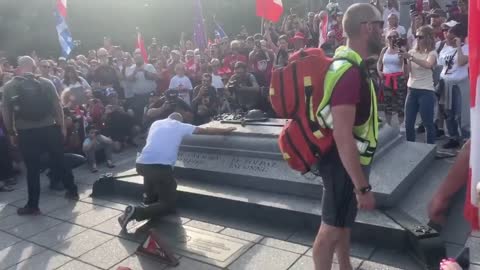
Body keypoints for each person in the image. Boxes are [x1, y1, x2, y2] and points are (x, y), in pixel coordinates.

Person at [311, 4, 383, 270]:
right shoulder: (349, 73)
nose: (383, 31)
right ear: (368, 28)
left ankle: (345, 266)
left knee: (342, 221)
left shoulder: (352, 64)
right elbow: (343, 136)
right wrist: (361, 186)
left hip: (343, 163)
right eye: (380, 25)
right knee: (329, 230)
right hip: (342, 164)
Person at [118, 112, 236, 230]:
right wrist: (225, 130)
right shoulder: (180, 126)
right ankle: (136, 212)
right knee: (168, 203)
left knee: (150, 175)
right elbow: (205, 130)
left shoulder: (156, 123)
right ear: (180, 120)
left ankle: (149, 200)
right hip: (161, 168)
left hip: (141, 164)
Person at [2, 56, 78, 215]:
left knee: (32, 169)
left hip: (26, 132)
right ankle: (72, 191)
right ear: (34, 66)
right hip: (50, 128)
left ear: (19, 67)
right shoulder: (46, 82)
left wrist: (11, 132)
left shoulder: (10, 86)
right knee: (60, 160)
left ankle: (33, 205)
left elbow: (6, 112)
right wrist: (62, 126)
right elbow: (57, 105)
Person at [401, 26, 438, 145]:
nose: (417, 39)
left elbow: (428, 65)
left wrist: (411, 58)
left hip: (426, 91)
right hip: (412, 89)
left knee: (427, 123)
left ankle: (430, 148)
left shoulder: (432, 52)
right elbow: (406, 73)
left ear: (427, 37)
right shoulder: (412, 51)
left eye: (420, 37)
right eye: (416, 36)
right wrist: (405, 60)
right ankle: (409, 147)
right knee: (408, 123)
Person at [437, 23, 470, 149]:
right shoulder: (445, 49)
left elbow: (462, 62)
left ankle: (466, 138)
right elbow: (441, 65)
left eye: (451, 38)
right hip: (445, 83)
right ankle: (453, 137)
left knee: (460, 113)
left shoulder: (466, 48)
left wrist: (458, 46)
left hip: (459, 84)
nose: (448, 40)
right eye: (447, 37)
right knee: (448, 113)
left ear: (459, 37)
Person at [377, 29, 408, 126]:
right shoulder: (384, 50)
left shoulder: (401, 50)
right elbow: (379, 62)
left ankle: (401, 124)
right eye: (390, 37)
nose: (392, 39)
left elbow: (403, 65)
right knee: (387, 104)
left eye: (395, 36)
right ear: (387, 38)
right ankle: (388, 124)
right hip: (386, 78)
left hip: (398, 78)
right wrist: (379, 71)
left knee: (400, 103)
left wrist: (402, 55)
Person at [126, 49, 158, 125]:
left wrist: (144, 71)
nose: (137, 58)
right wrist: (135, 72)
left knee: (150, 114)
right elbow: (129, 79)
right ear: (134, 58)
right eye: (136, 57)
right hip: (138, 97)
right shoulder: (132, 68)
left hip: (150, 95)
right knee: (136, 114)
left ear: (142, 58)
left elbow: (155, 77)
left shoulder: (149, 66)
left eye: (139, 56)